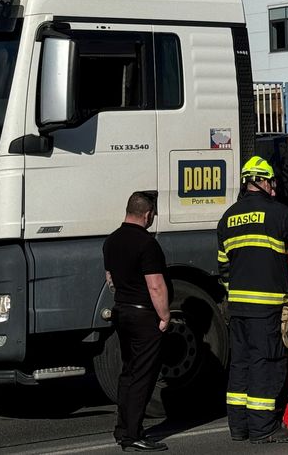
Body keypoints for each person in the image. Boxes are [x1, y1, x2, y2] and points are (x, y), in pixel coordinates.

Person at [217, 156, 288, 444]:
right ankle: (263, 429)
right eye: (271, 181)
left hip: (237, 307)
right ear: (263, 181)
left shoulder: (227, 218)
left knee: (240, 364)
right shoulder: (278, 213)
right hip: (266, 306)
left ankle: (239, 427)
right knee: (265, 363)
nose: (273, 186)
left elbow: (223, 267)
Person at [103, 192, 170, 452]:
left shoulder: (111, 241)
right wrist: (164, 316)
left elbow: (110, 279)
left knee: (128, 372)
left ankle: (122, 428)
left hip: (122, 311)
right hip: (144, 315)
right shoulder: (146, 244)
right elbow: (155, 286)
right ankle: (134, 434)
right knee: (143, 375)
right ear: (147, 214)